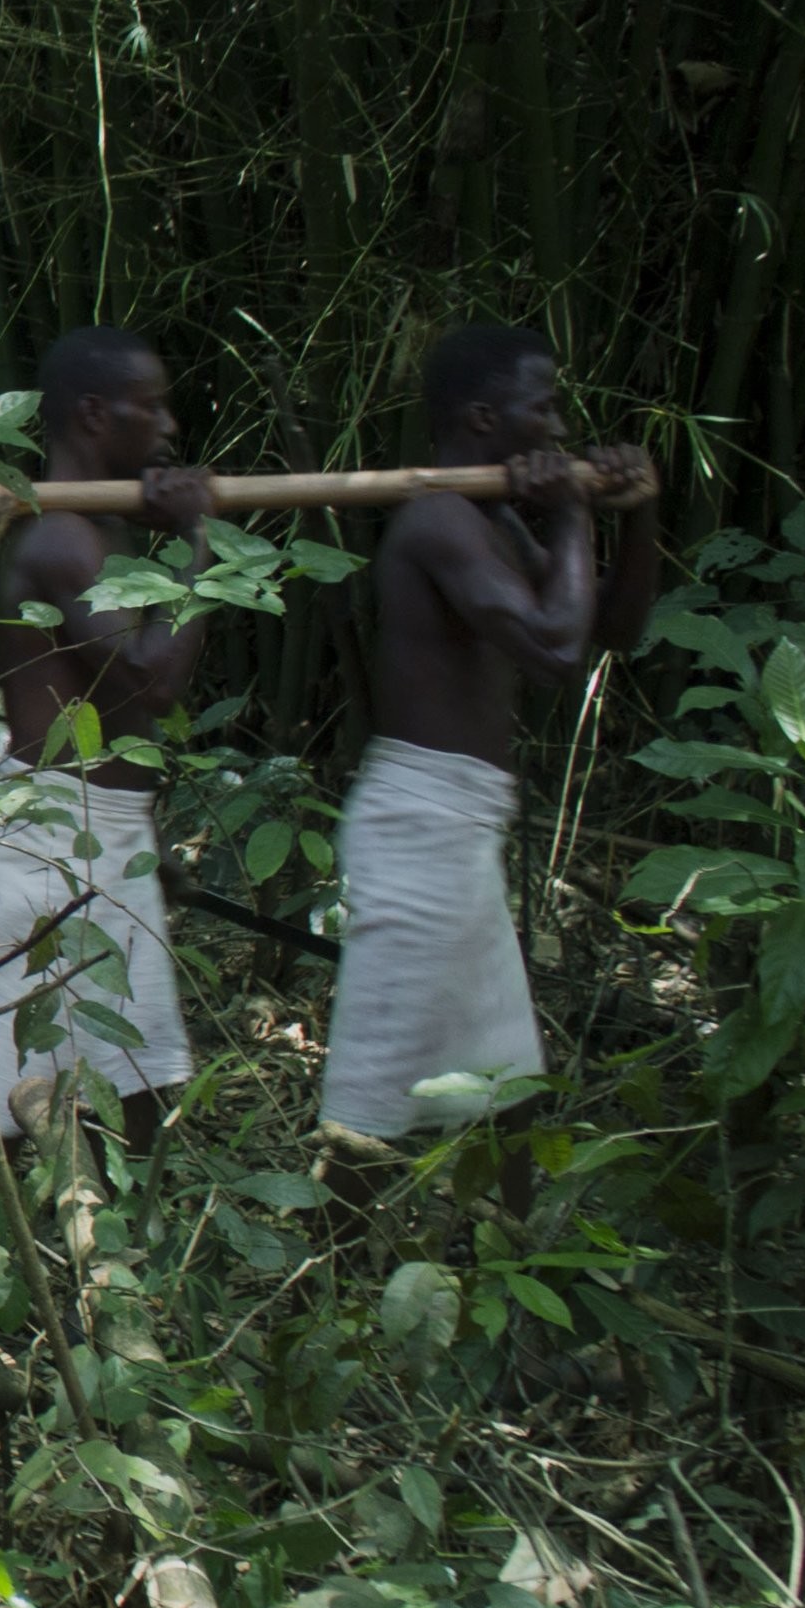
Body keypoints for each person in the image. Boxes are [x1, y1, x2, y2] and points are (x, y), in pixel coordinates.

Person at [318, 325, 657, 1157]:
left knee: (507, 1082)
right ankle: (325, 1262)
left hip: (460, 826)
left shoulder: (493, 517)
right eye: (542, 409)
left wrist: (639, 515)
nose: (559, 429)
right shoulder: (439, 521)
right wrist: (575, 515)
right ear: (481, 418)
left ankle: (509, 1255)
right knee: (368, 1110)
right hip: (419, 828)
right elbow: (553, 649)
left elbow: (613, 625)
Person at [0, 328, 216, 1152]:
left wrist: (142, 841)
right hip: (44, 845)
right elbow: (152, 683)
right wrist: (199, 541)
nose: (167, 429)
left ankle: (105, 1268)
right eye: (151, 407)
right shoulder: (63, 538)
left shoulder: (97, 528)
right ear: (94, 414)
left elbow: (112, 708)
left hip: (94, 836)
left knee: (136, 1087)